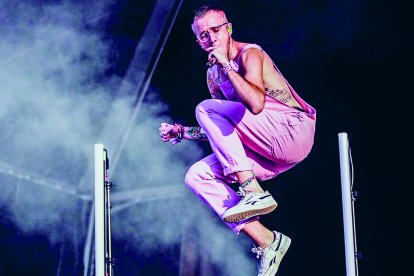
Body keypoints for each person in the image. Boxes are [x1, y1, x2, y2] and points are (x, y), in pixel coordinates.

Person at [159, 4, 316, 275]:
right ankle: (267, 240)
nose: (211, 38)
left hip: (293, 132)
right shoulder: (213, 76)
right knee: (197, 175)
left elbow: (255, 104)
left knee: (205, 107)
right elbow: (224, 129)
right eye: (204, 35)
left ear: (229, 28)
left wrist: (226, 65)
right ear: (199, 42)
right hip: (267, 152)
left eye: (216, 30)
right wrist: (183, 132)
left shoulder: (249, 54)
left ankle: (252, 190)